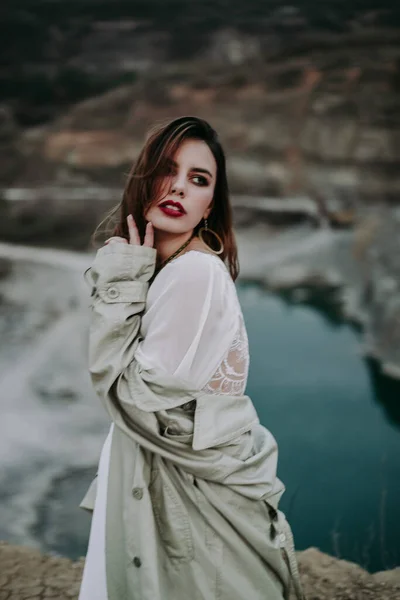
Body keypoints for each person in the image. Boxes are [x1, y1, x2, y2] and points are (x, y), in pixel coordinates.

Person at [78, 116, 304, 600]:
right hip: (165, 487)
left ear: (208, 207)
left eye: (198, 180)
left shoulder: (194, 274)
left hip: (192, 509)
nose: (179, 187)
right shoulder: (169, 269)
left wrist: (119, 285)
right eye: (168, 170)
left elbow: (129, 396)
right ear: (144, 179)